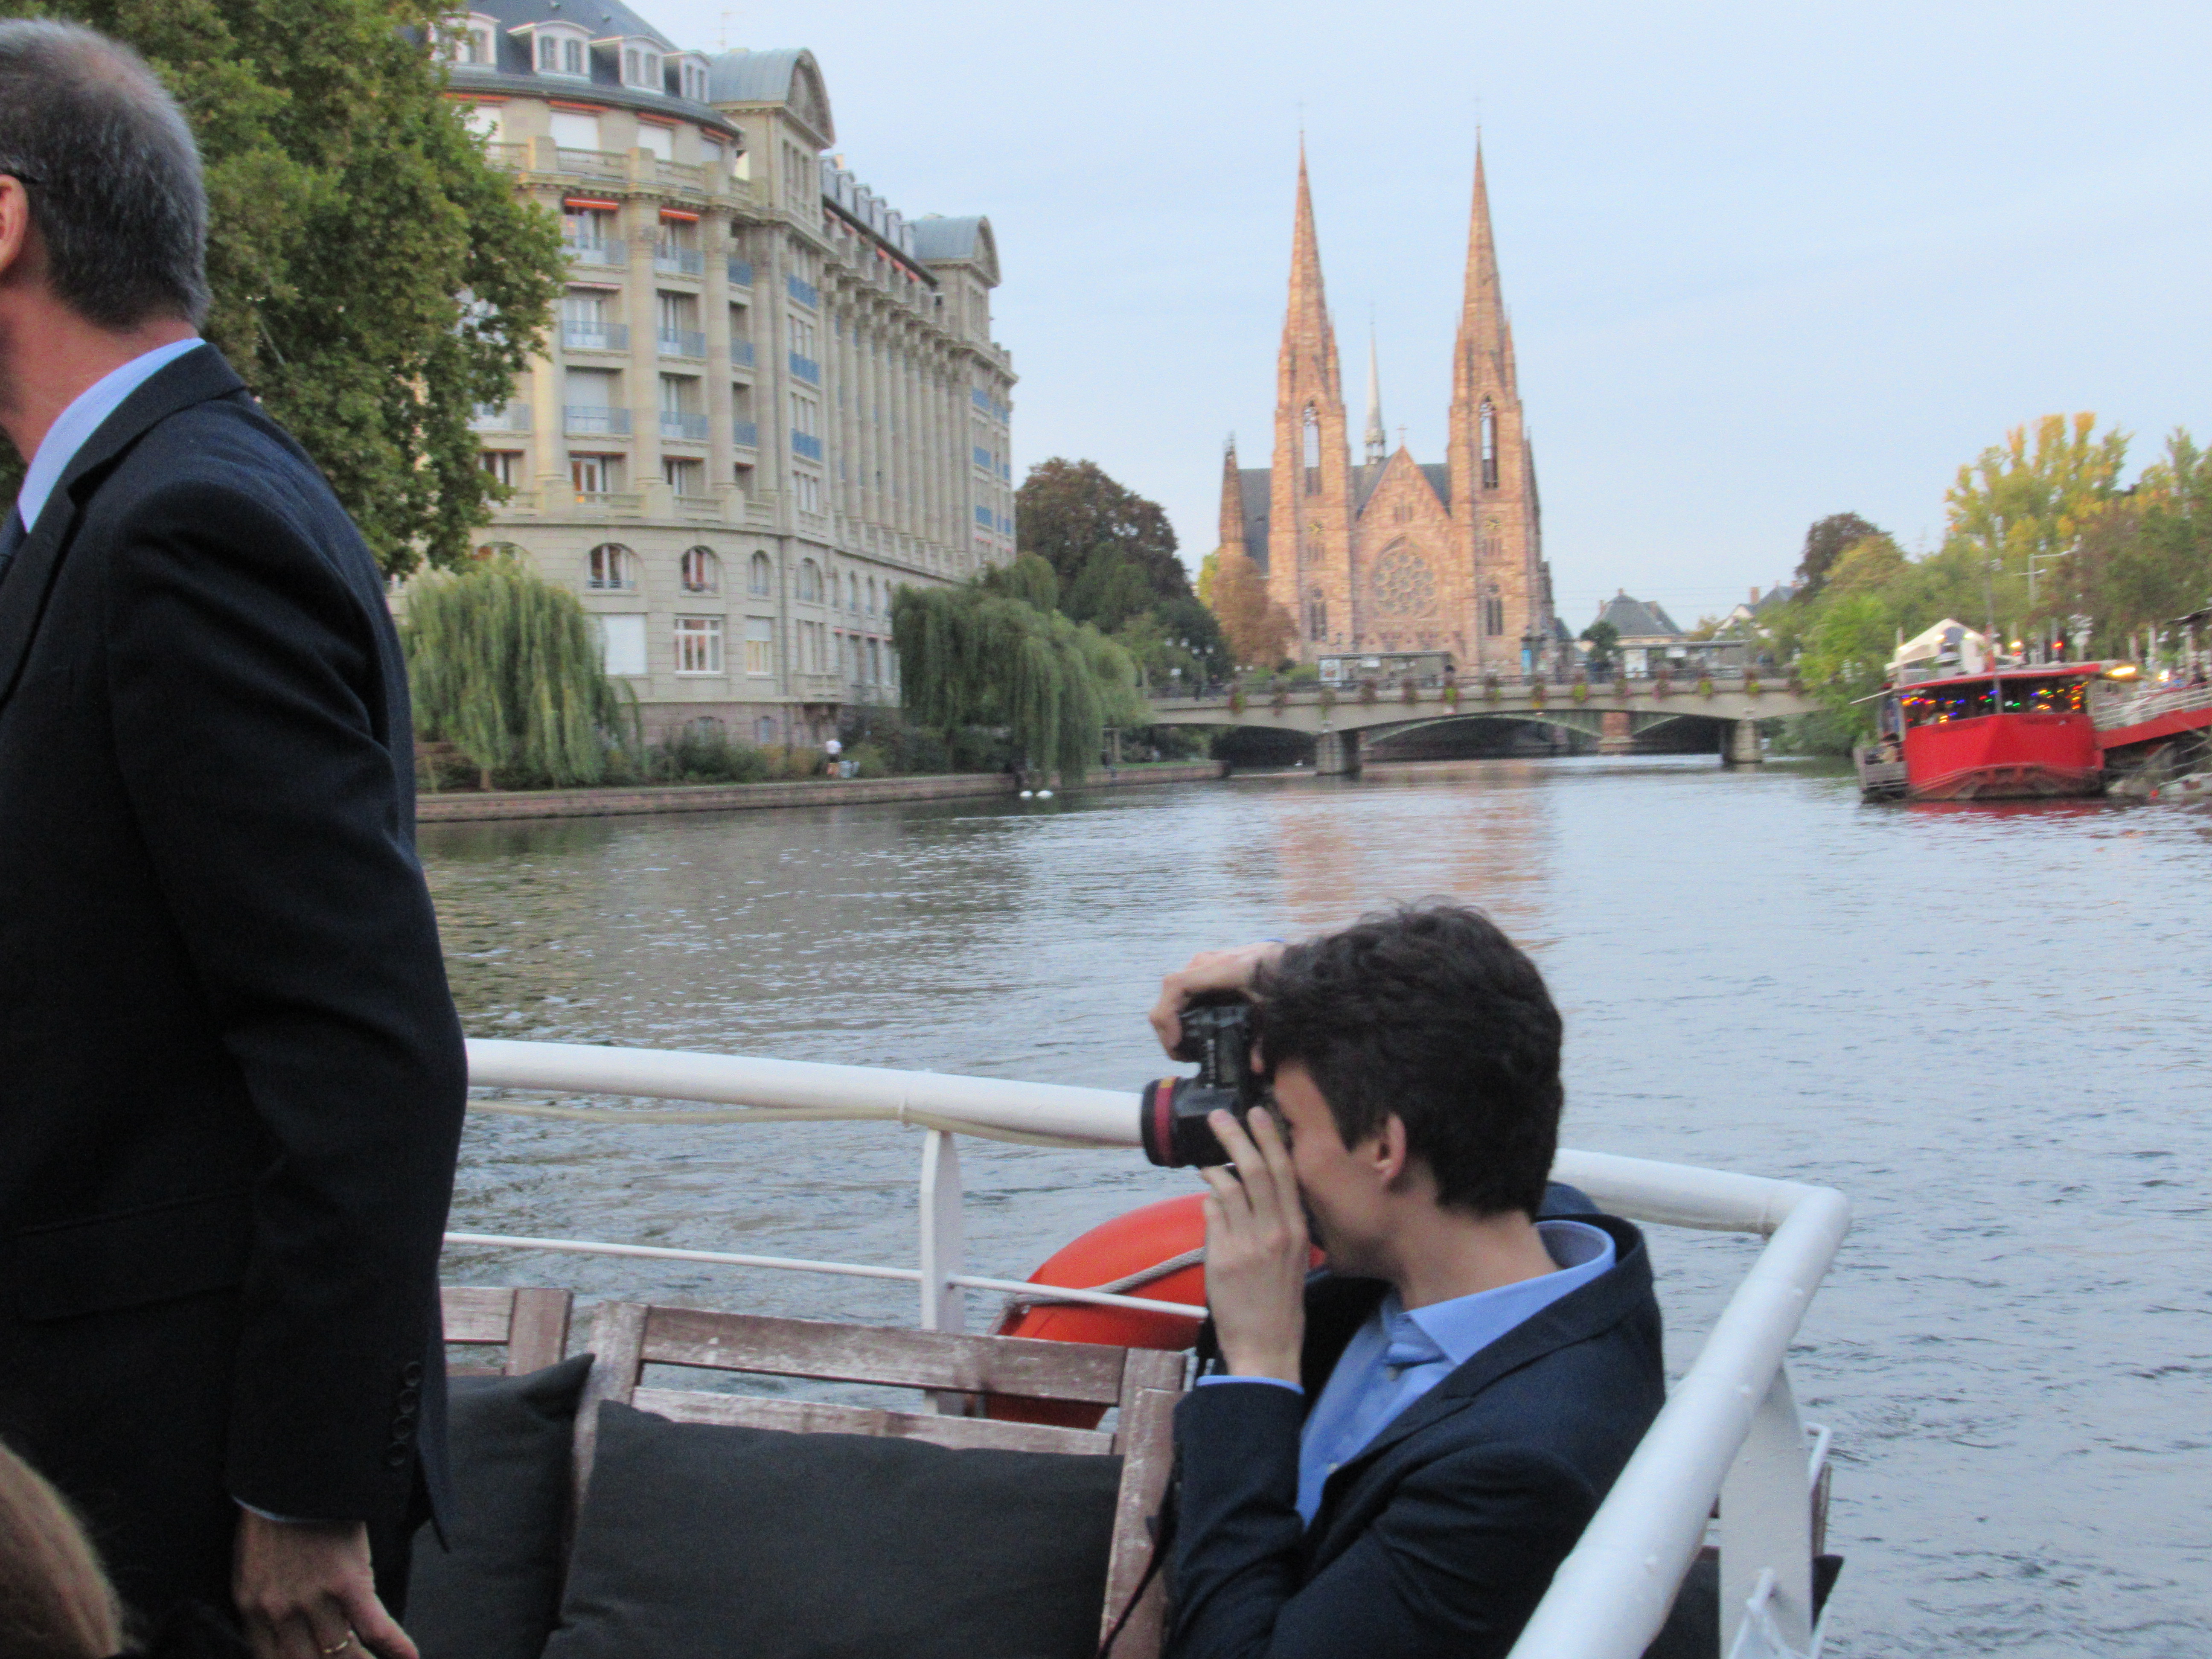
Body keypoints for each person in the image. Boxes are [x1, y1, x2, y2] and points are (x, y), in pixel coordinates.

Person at [0, 21, 466, 1659]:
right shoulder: (121, 506)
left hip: (181, 1505)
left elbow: (368, 1046)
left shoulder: (181, 522)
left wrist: (302, 1487)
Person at [1145, 906, 1664, 1659]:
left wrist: (1258, 1370)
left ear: (1385, 1148)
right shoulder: (1558, 1247)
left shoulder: (1511, 1472)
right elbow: (1471, 1022)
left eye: (1288, 1127)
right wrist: (1290, 979)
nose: (1273, 1155)